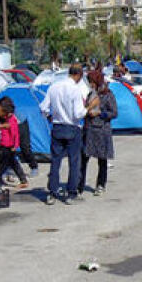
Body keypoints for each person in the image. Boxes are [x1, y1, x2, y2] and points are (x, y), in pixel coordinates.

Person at [40, 64, 89, 205]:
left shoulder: (54, 87)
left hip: (57, 126)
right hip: (72, 127)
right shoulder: (75, 90)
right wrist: (88, 108)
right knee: (74, 162)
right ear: (79, 75)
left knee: (55, 161)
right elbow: (78, 113)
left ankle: (52, 192)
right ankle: (71, 193)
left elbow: (43, 107)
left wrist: (49, 116)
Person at [80, 69, 117, 196]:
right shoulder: (88, 93)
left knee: (102, 160)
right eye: (89, 81)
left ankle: (101, 184)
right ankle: (79, 185)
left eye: (92, 82)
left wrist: (101, 113)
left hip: (102, 131)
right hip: (89, 130)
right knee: (83, 159)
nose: (90, 84)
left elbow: (114, 113)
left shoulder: (107, 94)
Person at [0, 98, 28, 190]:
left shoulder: (11, 119)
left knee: (4, 164)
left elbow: (15, 133)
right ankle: (23, 180)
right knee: (13, 163)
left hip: (8, 145)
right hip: (4, 144)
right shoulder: (3, 118)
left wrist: (15, 145)